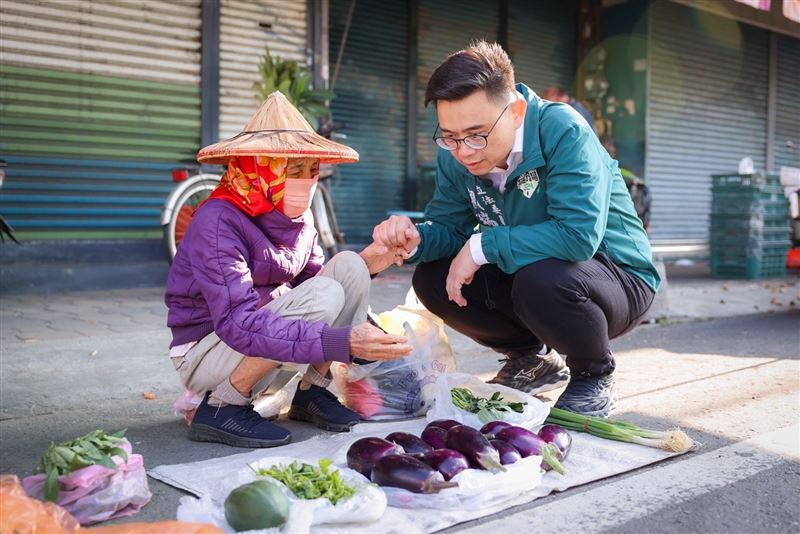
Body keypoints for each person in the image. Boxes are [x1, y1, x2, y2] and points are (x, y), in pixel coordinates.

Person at [371, 41, 660, 418]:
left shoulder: (563, 130)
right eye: (450, 136)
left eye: (477, 134)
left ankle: (594, 373)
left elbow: (577, 236)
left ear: (517, 112)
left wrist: (481, 246)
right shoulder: (458, 156)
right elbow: (449, 229)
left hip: (615, 277)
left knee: (542, 278)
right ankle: (531, 358)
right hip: (531, 271)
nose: (465, 151)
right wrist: (415, 239)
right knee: (432, 277)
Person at [165, 91, 411, 448]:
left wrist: (375, 259)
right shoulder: (216, 221)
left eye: (313, 169)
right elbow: (237, 322)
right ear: (260, 169)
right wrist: (342, 341)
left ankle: (312, 393)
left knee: (349, 267)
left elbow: (314, 284)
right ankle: (223, 405)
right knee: (324, 295)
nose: (307, 180)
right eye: (294, 170)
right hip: (206, 350)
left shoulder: (299, 217)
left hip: (259, 338)